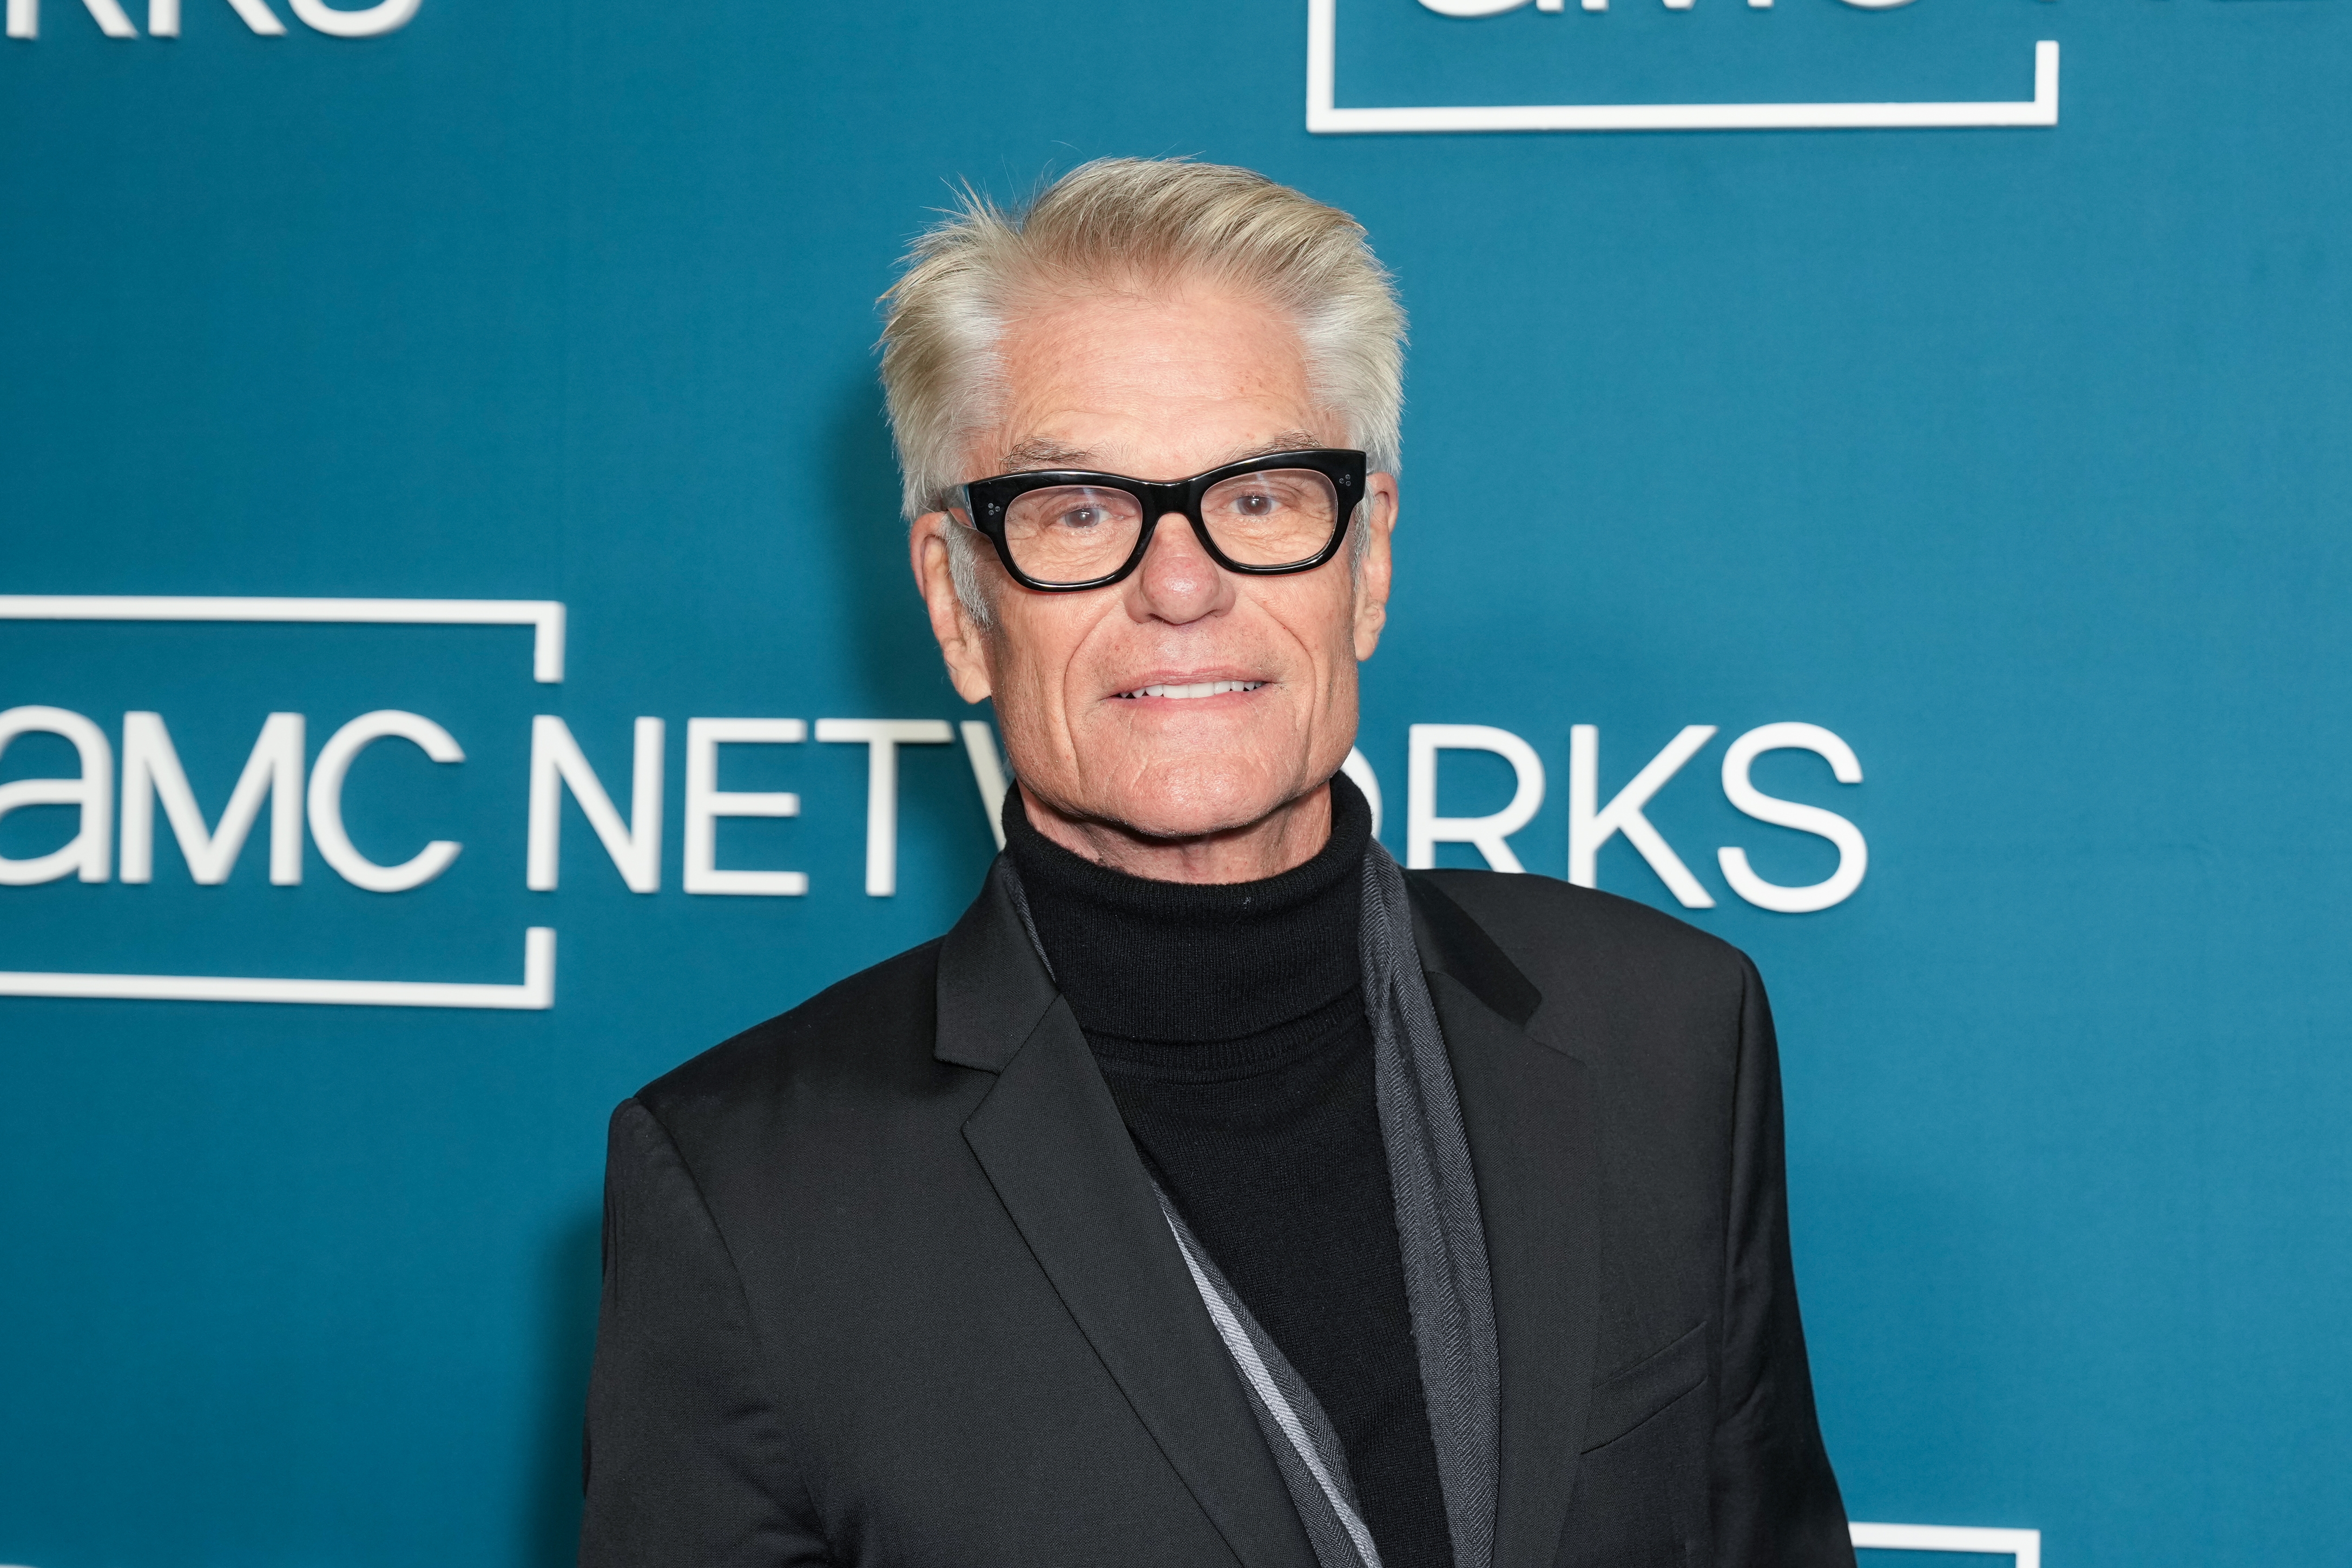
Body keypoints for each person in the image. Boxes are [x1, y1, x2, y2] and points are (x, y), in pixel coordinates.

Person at [579, 157, 1855, 1568]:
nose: (1179, 584)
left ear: (1363, 557)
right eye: (1075, 509)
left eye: (1256, 496)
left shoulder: (1665, 1034)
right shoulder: (750, 1193)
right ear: (955, 599)